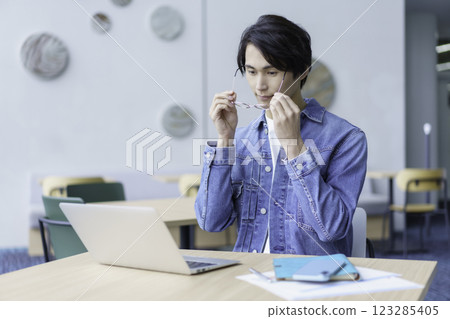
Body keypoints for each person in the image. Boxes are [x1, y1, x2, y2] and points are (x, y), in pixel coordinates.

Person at [194, 14, 367, 256]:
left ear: (303, 71)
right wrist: (225, 141)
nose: (259, 85)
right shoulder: (241, 140)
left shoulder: (347, 138)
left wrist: (294, 146)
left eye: (271, 72)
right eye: (251, 72)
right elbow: (210, 222)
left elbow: (332, 229)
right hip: (249, 275)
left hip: (308, 280)